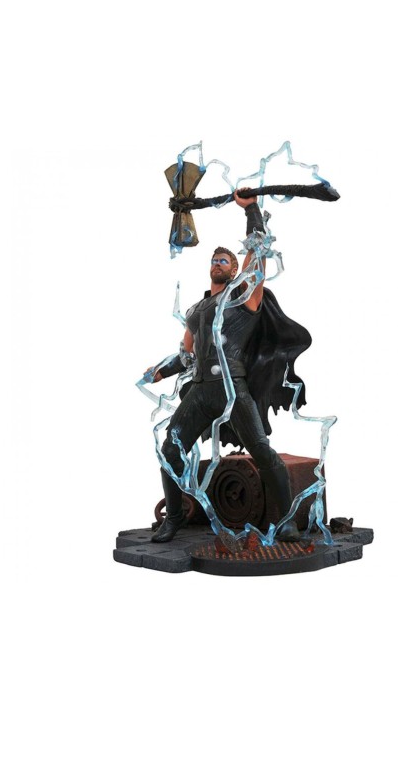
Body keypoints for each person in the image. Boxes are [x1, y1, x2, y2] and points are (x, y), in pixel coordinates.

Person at [146, 189, 311, 543]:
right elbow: (187, 354)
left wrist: (251, 211)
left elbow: (258, 254)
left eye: (224, 260)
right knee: (170, 448)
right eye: (214, 260)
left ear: (234, 269)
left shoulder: (242, 298)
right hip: (201, 390)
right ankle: (174, 517)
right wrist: (160, 370)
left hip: (233, 389)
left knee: (261, 450)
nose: (217, 263)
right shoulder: (196, 310)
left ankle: (287, 521)